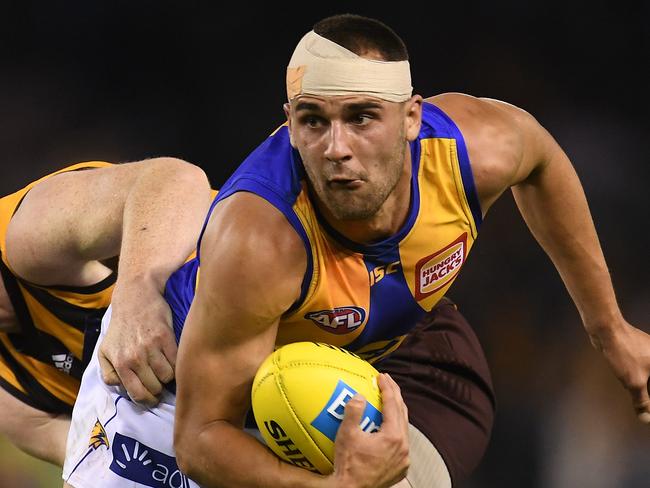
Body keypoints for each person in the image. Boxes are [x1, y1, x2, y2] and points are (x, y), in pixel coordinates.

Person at [63, 13, 649, 488]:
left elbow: (543, 162)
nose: (336, 148)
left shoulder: (476, 149)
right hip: (186, 392)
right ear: (289, 125)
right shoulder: (260, 239)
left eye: (362, 117)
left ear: (412, 118)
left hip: (397, 355)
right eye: (312, 121)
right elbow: (200, 440)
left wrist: (609, 330)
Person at [0, 158, 212, 467]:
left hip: (275, 295)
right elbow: (102, 468)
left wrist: (136, 297)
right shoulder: (16, 401)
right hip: (253, 411)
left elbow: (177, 179)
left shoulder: (28, 234)